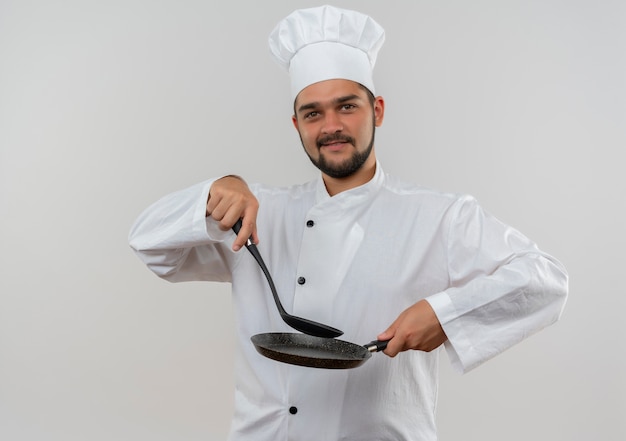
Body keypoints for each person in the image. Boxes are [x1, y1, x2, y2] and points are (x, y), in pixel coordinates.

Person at [129, 5, 568, 441]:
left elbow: (545, 280)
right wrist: (215, 189)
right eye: (313, 113)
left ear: (377, 110)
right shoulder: (259, 213)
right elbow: (148, 243)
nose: (331, 126)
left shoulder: (439, 216)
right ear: (296, 123)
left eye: (347, 106)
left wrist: (444, 314)